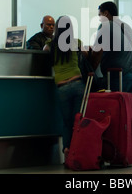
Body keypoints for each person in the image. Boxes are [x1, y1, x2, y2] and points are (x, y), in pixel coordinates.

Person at [43, 16, 86, 158]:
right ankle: (78, 150)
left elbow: (44, 50)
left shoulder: (50, 44)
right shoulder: (76, 42)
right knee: (78, 120)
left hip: (62, 87)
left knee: (67, 122)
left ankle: (67, 149)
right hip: (78, 84)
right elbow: (87, 53)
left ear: (57, 29)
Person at [90, 1, 132, 93]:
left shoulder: (106, 25)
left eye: (99, 15)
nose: (99, 19)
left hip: (119, 76)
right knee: (125, 106)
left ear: (106, 13)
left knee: (112, 106)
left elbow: (97, 51)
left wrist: (90, 69)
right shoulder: (127, 27)